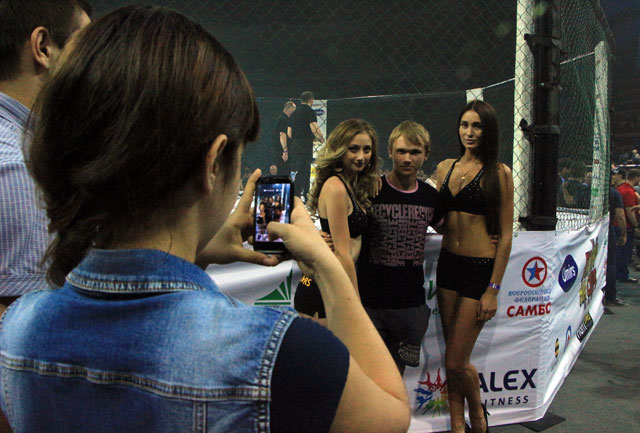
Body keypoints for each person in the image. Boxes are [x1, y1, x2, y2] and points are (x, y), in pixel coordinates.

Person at [0, 7, 411, 433]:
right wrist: (327, 267)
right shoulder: (274, 351)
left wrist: (196, 253)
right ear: (212, 164)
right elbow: (392, 415)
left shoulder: (20, 328)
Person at [0, 0, 91, 313]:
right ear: (43, 47)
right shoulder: (20, 172)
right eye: (86, 48)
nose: (96, 66)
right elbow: (17, 328)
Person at [434, 100, 514, 433]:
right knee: (451, 359)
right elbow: (438, 219)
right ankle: (457, 425)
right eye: (464, 124)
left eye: (477, 126)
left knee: (456, 360)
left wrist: (493, 289)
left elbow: (506, 236)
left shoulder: (500, 173)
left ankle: (478, 415)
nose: (469, 132)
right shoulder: (444, 168)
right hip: (447, 266)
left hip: (479, 269)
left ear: (488, 130)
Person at [357, 120, 443, 376]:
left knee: (396, 376)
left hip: (410, 304)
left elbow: (452, 231)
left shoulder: (430, 197)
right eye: (401, 151)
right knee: (367, 376)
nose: (407, 158)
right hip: (369, 302)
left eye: (415, 152)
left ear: (425, 155)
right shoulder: (371, 190)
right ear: (390, 152)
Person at [294, 119, 379, 319]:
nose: (361, 156)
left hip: (326, 282)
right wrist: (356, 306)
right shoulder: (336, 187)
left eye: (367, 150)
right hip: (319, 287)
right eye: (353, 149)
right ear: (340, 150)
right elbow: (342, 253)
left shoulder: (351, 183)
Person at [289, 91, 324, 197]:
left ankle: (296, 192)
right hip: (305, 144)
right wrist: (321, 137)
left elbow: (289, 133)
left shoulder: (293, 113)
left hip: (295, 144)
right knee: (305, 168)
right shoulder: (309, 111)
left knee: (297, 168)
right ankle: (305, 192)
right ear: (311, 100)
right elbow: (314, 127)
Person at [604, 170, 628, 307]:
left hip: (591, 228)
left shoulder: (590, 190)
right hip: (607, 228)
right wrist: (624, 234)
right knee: (610, 263)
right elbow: (620, 215)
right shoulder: (614, 193)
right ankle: (610, 296)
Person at [616, 169, 640, 283]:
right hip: (626, 225)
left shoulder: (621, 188)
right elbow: (629, 210)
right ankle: (623, 274)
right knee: (625, 251)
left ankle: (619, 273)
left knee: (620, 251)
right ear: (636, 178)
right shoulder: (629, 191)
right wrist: (636, 225)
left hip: (618, 223)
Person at [274, 100, 295, 174]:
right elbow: (282, 134)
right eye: (294, 110)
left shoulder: (281, 118)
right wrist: (285, 150)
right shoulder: (284, 119)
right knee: (284, 171)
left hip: (280, 149)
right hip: (282, 150)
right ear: (290, 109)